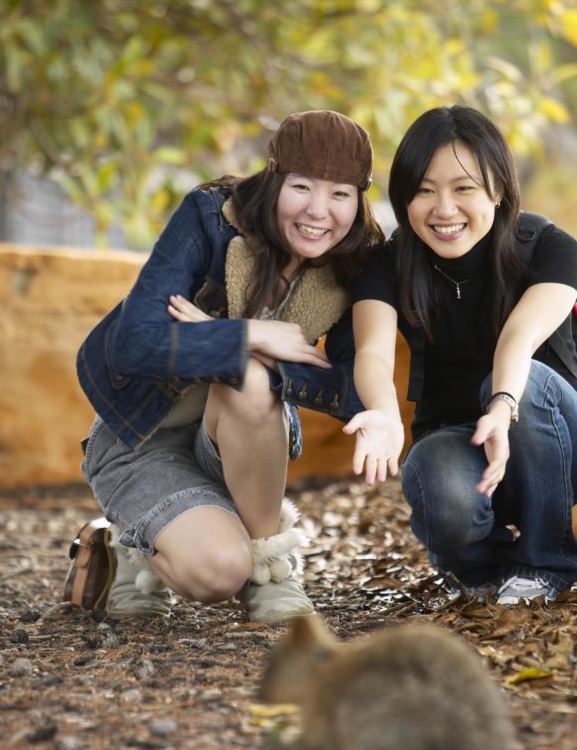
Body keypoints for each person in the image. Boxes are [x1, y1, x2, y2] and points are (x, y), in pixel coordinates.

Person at [77, 110, 383, 623]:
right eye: (302, 187)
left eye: (340, 194)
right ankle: (130, 544)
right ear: (273, 178)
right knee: (219, 572)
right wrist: (247, 333)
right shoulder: (210, 218)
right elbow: (132, 343)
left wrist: (237, 347)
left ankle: (271, 566)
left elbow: (348, 380)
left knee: (250, 379)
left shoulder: (357, 259)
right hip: (143, 436)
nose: (319, 211)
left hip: (242, 445)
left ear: (359, 198)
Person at [344, 105, 577, 605]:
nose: (444, 209)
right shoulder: (387, 266)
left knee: (517, 380)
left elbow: (519, 337)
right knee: (438, 482)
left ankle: (544, 564)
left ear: (499, 190)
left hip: (558, 442)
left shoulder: (550, 248)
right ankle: (480, 572)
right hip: (457, 440)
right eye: (424, 190)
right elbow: (373, 352)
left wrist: (501, 406)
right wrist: (383, 413)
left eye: (464, 188)